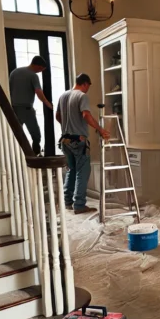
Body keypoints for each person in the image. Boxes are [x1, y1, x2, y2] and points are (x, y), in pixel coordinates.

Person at [56, 73, 111, 214]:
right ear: (85, 83)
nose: (88, 90)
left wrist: (68, 126)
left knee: (71, 170)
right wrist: (100, 129)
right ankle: (79, 205)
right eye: (88, 86)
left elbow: (57, 116)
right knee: (83, 171)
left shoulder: (63, 96)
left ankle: (68, 201)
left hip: (65, 140)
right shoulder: (82, 96)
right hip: (78, 141)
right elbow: (86, 115)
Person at [10, 55, 53, 155]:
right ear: (38, 66)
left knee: (17, 135)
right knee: (36, 135)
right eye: (41, 69)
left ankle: (18, 156)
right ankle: (35, 155)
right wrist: (48, 104)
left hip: (14, 109)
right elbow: (38, 92)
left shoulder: (14, 72)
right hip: (26, 109)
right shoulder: (33, 75)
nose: (40, 72)